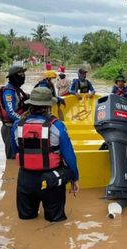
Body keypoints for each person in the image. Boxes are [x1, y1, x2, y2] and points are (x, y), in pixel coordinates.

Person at [11, 87, 79, 222]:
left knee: (26, 220)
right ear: (49, 106)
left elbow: (15, 151)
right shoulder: (57, 126)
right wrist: (74, 178)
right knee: (55, 221)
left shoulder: (17, 125)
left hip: (25, 179)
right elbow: (69, 156)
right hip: (51, 179)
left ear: (30, 104)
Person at [0, 66, 29, 159]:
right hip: (10, 128)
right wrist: (25, 121)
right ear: (14, 76)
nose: (23, 76)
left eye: (24, 74)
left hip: (18, 127)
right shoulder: (9, 92)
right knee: (12, 158)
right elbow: (10, 112)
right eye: (21, 74)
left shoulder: (17, 90)